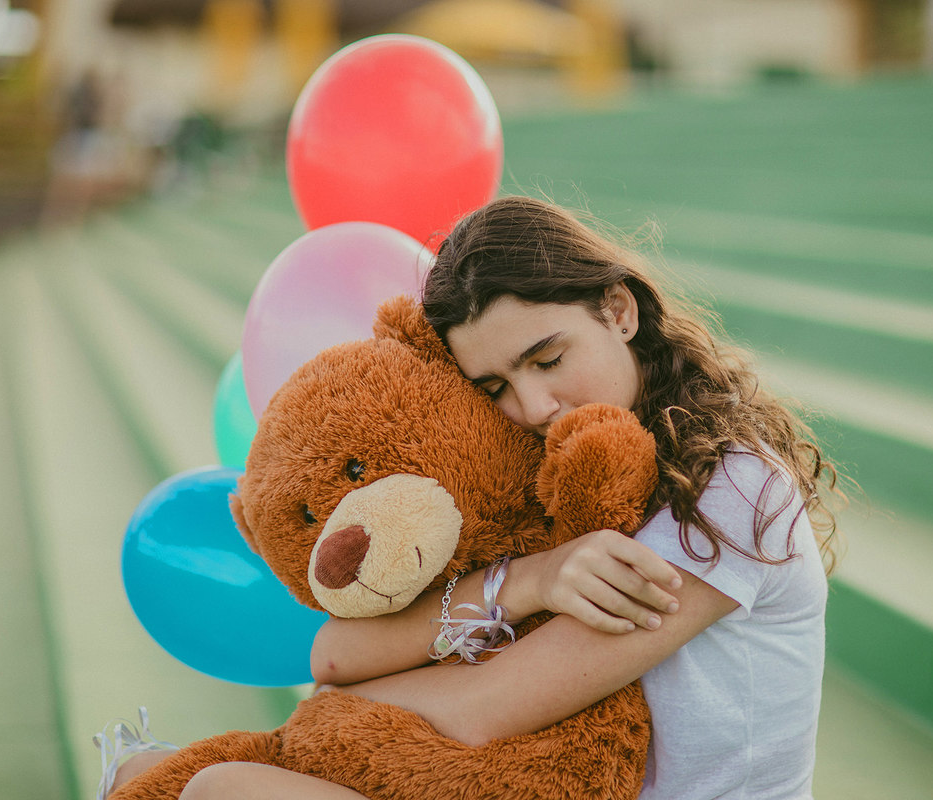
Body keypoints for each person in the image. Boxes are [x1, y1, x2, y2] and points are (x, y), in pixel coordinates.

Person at [115, 196, 843, 799]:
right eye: (494, 387)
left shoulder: (731, 487)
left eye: (548, 358)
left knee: (225, 790)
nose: (532, 406)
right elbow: (335, 652)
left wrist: (331, 715)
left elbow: (485, 710)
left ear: (619, 310)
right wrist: (526, 580)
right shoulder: (532, 472)